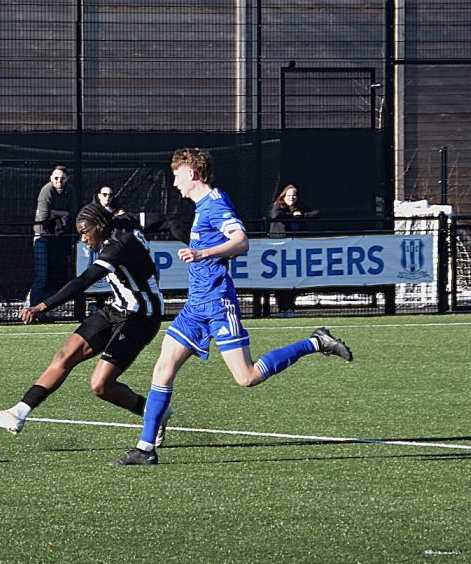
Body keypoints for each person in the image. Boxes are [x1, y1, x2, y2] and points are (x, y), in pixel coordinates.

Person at [111, 148, 353, 466]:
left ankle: (316, 342)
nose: (174, 182)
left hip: (217, 303)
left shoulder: (215, 204)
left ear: (193, 174)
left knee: (247, 377)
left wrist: (203, 254)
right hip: (195, 305)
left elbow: (242, 242)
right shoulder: (202, 205)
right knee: (163, 369)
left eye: (177, 174)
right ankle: (145, 449)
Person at [0, 202, 171, 444]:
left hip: (142, 317)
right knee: (64, 355)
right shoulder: (124, 221)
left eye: (84, 232)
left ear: (99, 227)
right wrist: (184, 235)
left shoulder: (116, 247)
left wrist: (42, 306)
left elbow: (83, 281)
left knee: (101, 385)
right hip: (117, 308)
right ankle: (18, 413)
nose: (83, 238)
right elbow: (160, 219)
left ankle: (154, 413)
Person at [28, 165, 79, 308]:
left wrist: (55, 213)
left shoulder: (71, 191)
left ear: (67, 179)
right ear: (51, 178)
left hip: (60, 238)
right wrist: (62, 213)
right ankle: (32, 308)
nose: (59, 181)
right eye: (56, 178)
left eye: (62, 178)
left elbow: (73, 214)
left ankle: (43, 307)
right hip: (43, 236)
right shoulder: (47, 190)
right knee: (42, 276)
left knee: (56, 275)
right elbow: (44, 216)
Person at [268, 183, 320, 318]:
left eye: (294, 195)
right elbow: (274, 216)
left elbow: (316, 213)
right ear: (284, 196)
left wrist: (301, 215)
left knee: (293, 280)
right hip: (280, 250)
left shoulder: (300, 207)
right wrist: (292, 215)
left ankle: (290, 307)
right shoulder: (278, 206)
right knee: (281, 281)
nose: (292, 198)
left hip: (295, 251)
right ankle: (281, 308)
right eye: (289, 195)